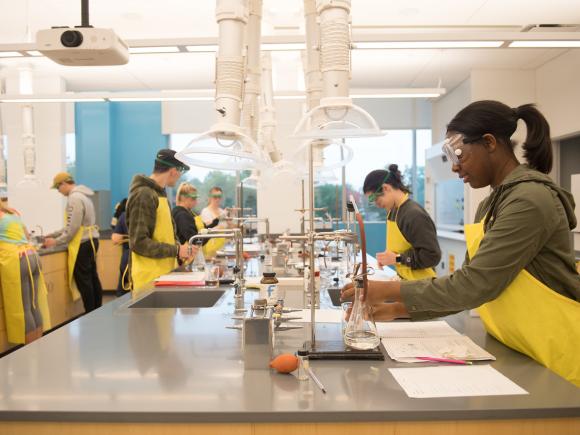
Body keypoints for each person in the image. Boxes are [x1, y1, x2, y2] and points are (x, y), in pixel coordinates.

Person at [342, 101, 580, 385]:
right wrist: (395, 309)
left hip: (554, 357)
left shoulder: (529, 200)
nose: (454, 167)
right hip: (516, 346)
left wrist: (386, 291)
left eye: (459, 154)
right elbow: (467, 283)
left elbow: (474, 284)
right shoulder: (492, 204)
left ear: (489, 143)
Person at [125, 149, 197, 292]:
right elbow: (138, 242)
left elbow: (164, 236)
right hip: (148, 280)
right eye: (180, 171)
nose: (179, 177)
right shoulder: (144, 194)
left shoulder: (160, 194)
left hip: (163, 276)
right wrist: (176, 249)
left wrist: (181, 252)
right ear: (173, 171)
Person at [363, 165, 441, 280]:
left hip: (423, 286)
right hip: (407, 281)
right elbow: (404, 248)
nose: (376, 204)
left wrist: (397, 258)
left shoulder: (413, 214)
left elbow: (432, 256)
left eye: (375, 199)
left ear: (386, 188)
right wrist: (388, 257)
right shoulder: (393, 211)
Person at [44, 173, 103, 313]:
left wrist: (55, 242)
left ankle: (90, 313)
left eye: (58, 188)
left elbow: (73, 229)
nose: (58, 191)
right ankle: (97, 311)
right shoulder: (84, 196)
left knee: (84, 280)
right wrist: (53, 234)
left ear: (64, 184)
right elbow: (73, 225)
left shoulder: (74, 198)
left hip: (82, 243)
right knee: (92, 277)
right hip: (91, 240)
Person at [0, 204, 51, 345]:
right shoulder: (12, 213)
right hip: (32, 255)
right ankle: (38, 345)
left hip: (18, 259)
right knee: (34, 305)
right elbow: (27, 236)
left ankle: (30, 350)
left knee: (25, 308)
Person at [199, 186, 228, 258]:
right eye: (215, 196)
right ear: (210, 197)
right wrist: (221, 217)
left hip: (222, 249)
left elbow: (228, 228)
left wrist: (231, 220)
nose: (217, 199)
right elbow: (209, 229)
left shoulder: (222, 211)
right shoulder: (205, 211)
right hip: (210, 249)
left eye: (219, 196)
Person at [111, 205, 130, 297]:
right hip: (139, 260)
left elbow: (115, 238)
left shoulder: (124, 216)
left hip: (127, 260)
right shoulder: (151, 215)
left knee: (123, 291)